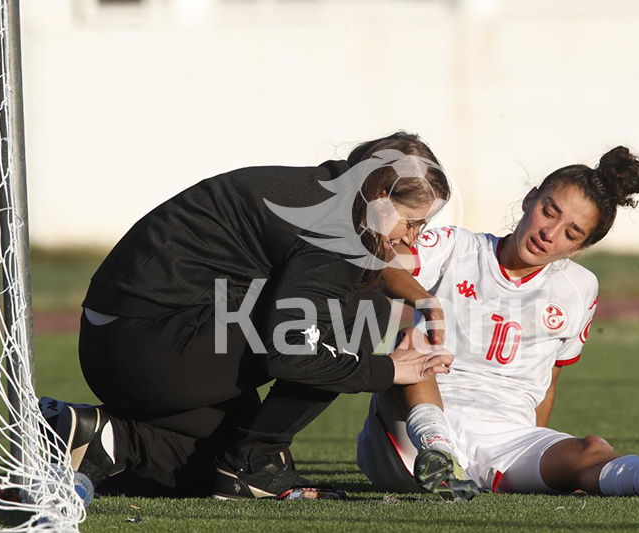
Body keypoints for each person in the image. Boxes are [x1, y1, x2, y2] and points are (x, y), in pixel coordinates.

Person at [52, 131, 456, 500]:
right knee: (365, 309)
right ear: (382, 193)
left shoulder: (335, 191)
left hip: (123, 341)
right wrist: (387, 370)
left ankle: (102, 437)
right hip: (147, 347)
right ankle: (255, 462)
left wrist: (425, 300)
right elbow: (292, 351)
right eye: (413, 223)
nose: (412, 238)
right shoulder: (336, 227)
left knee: (214, 466)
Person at [357, 146, 639, 500]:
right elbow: (386, 261)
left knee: (591, 450)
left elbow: (548, 383)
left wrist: (538, 447)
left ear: (580, 248)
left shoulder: (579, 288)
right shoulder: (457, 246)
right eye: (549, 210)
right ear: (530, 200)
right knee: (416, 344)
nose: (550, 233)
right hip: (412, 430)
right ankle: (439, 454)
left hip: (506, 436)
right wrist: (425, 299)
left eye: (571, 232)